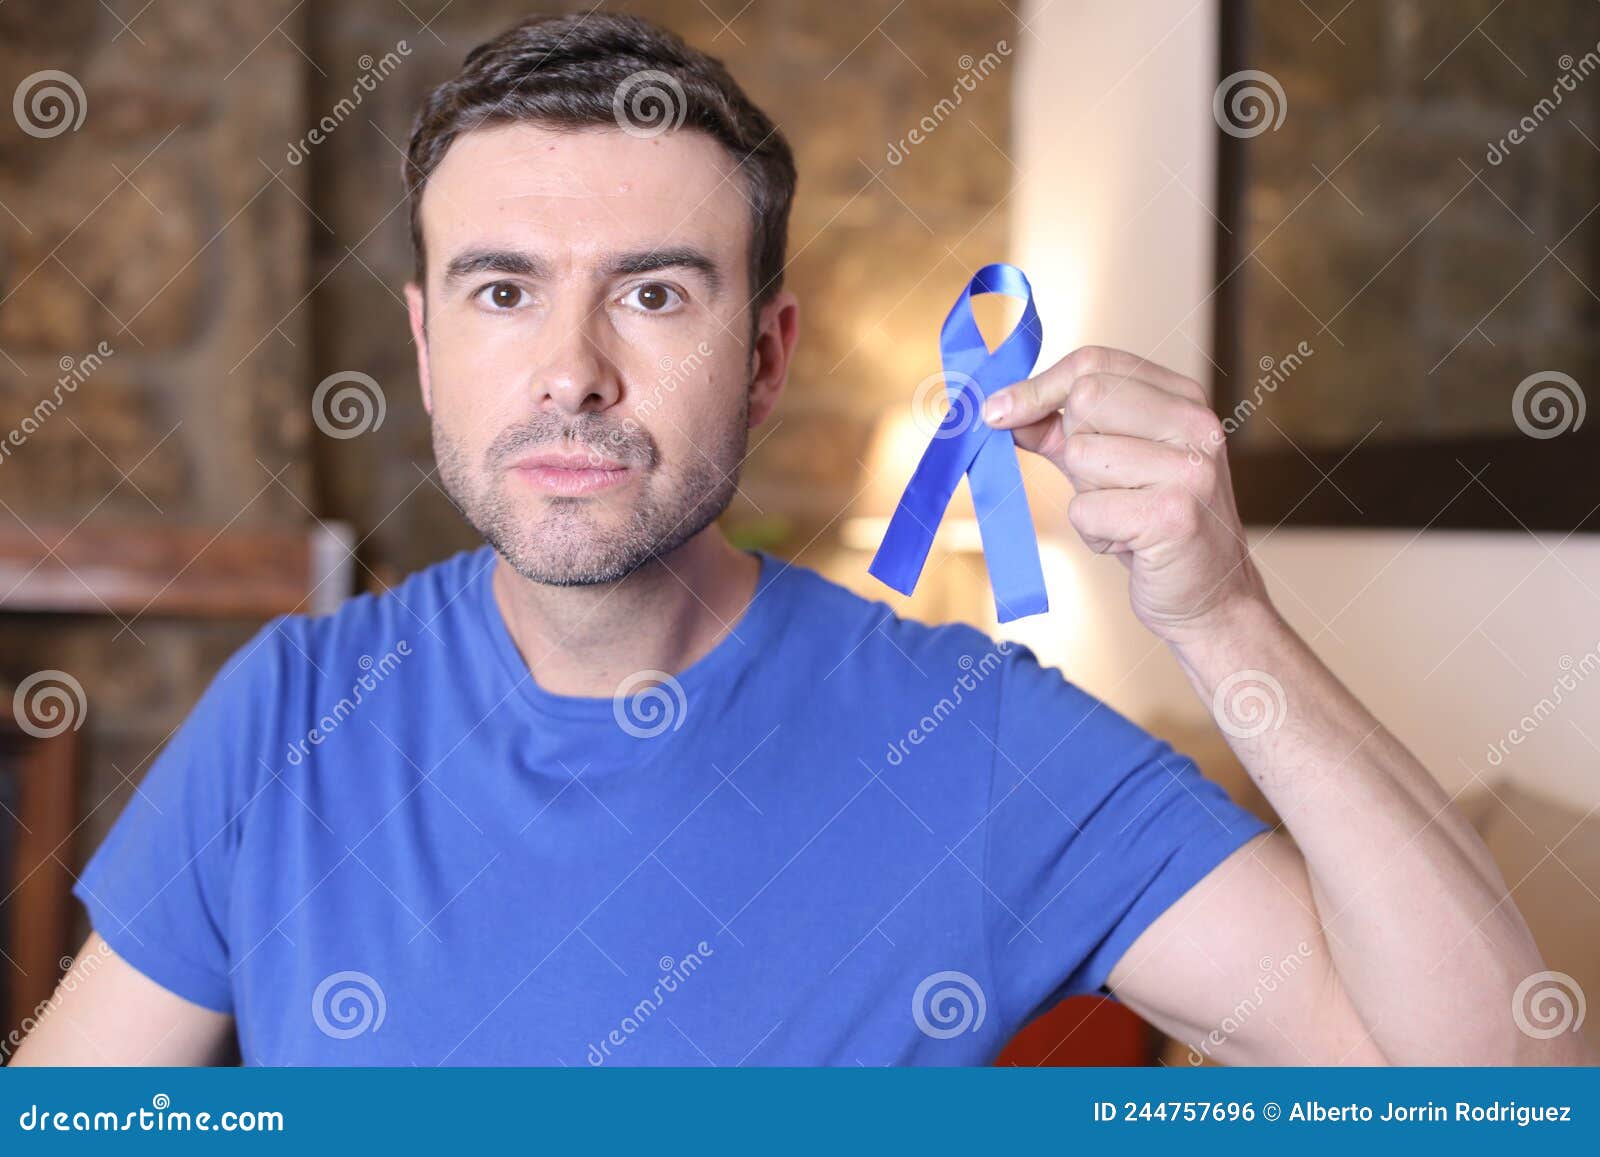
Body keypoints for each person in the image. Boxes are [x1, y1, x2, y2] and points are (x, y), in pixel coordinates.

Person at [13, 11, 1589, 1068]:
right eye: (505, 291)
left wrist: (1226, 611)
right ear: (428, 349)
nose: (572, 366)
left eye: (652, 290)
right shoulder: (290, 716)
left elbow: (1480, 1069)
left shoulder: (972, 739)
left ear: (764, 356)